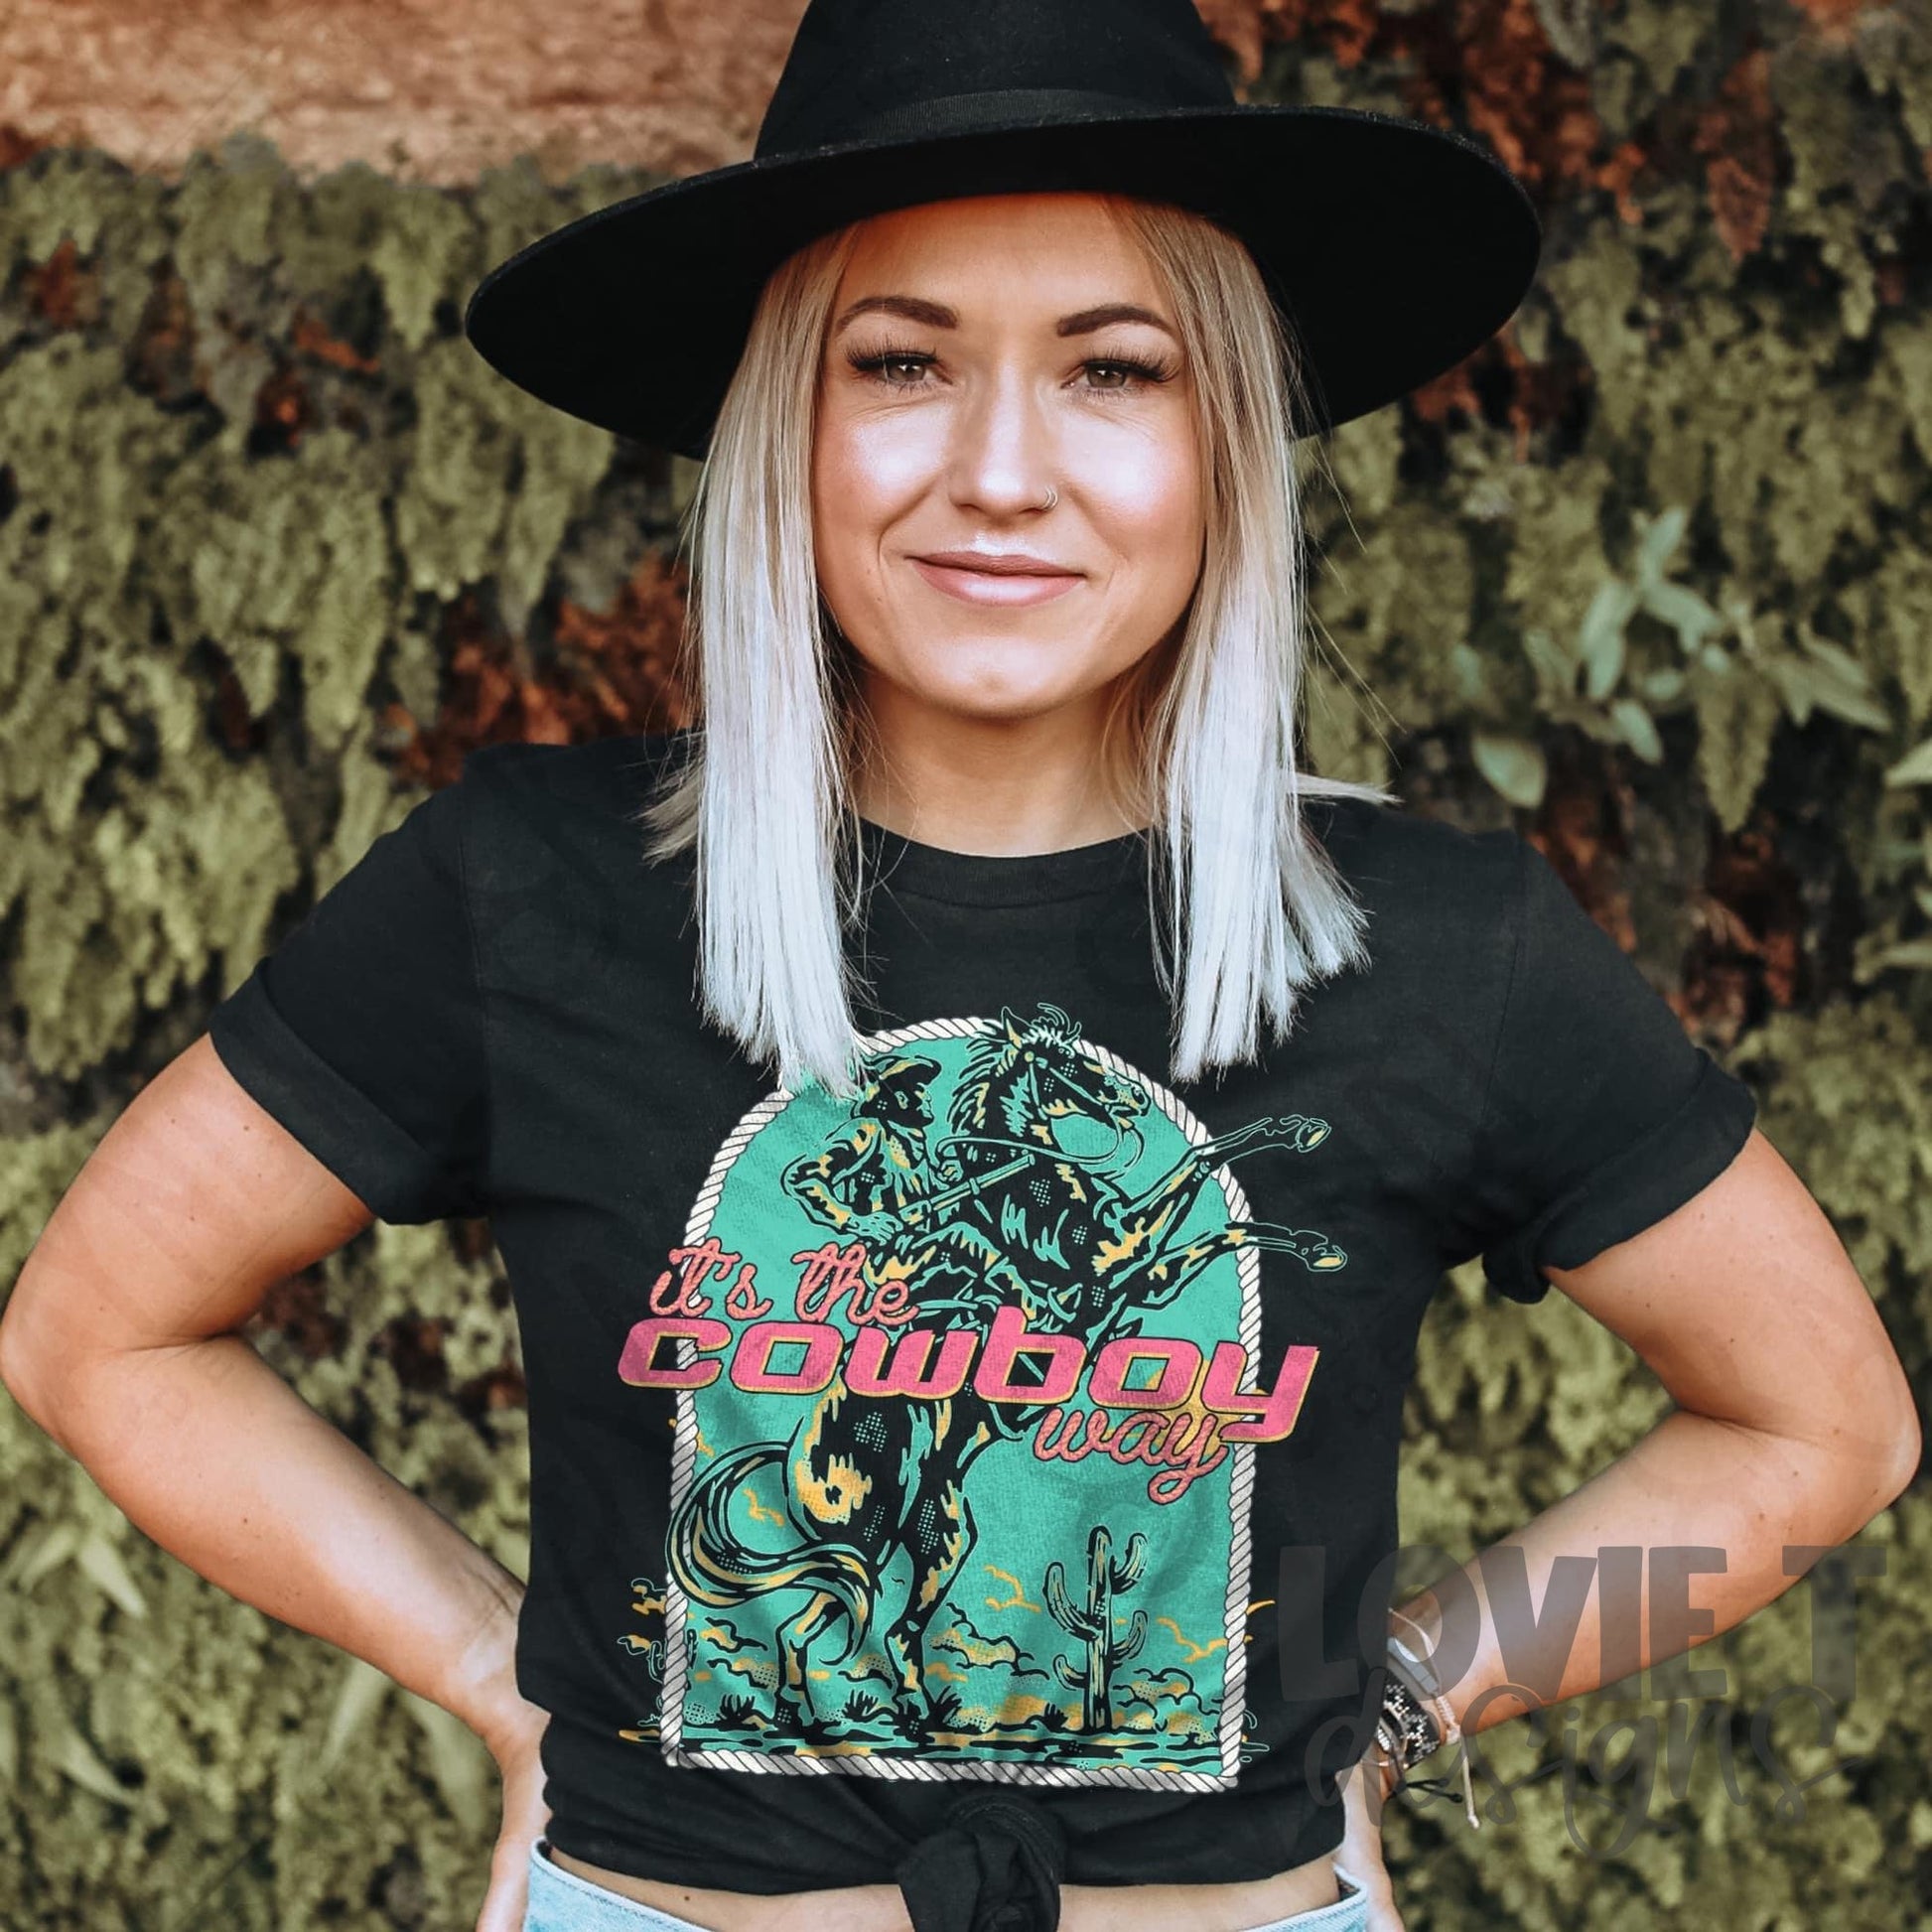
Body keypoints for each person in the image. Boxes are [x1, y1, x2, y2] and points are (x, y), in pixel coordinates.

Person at [1, 2, 1918, 1931]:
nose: (1001, 470)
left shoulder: (1437, 944)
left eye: (1114, 369)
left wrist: (1400, 1701)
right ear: (789, 417)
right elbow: (100, 1333)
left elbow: (1820, 1425)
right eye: (902, 360)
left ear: (1225, 438)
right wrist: (494, 1677)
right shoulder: (526, 891)